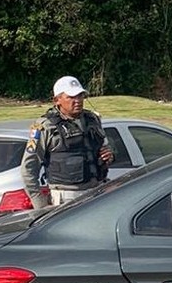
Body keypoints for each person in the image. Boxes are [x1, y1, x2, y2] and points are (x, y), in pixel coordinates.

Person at [21, 76, 114, 208]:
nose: (78, 101)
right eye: (71, 97)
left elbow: (106, 148)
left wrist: (109, 156)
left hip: (98, 191)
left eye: (80, 95)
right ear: (57, 100)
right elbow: (28, 168)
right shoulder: (45, 126)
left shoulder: (93, 119)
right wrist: (40, 206)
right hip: (67, 198)